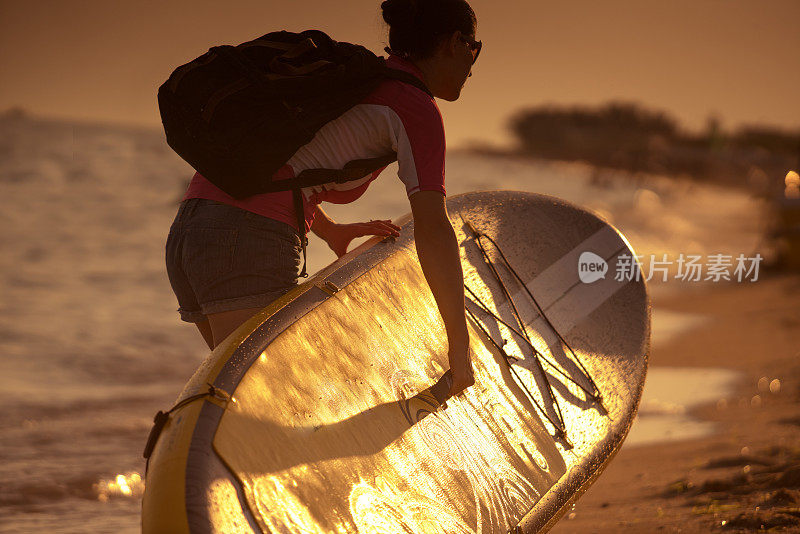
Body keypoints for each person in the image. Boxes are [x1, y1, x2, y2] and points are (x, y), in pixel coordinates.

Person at [165, 0, 480, 396]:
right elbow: (434, 229)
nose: (473, 63)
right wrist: (460, 346)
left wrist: (328, 229)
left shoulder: (352, 81)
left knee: (242, 398)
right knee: (264, 398)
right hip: (244, 244)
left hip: (191, 233)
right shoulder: (414, 108)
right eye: (474, 47)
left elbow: (284, 165)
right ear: (454, 42)